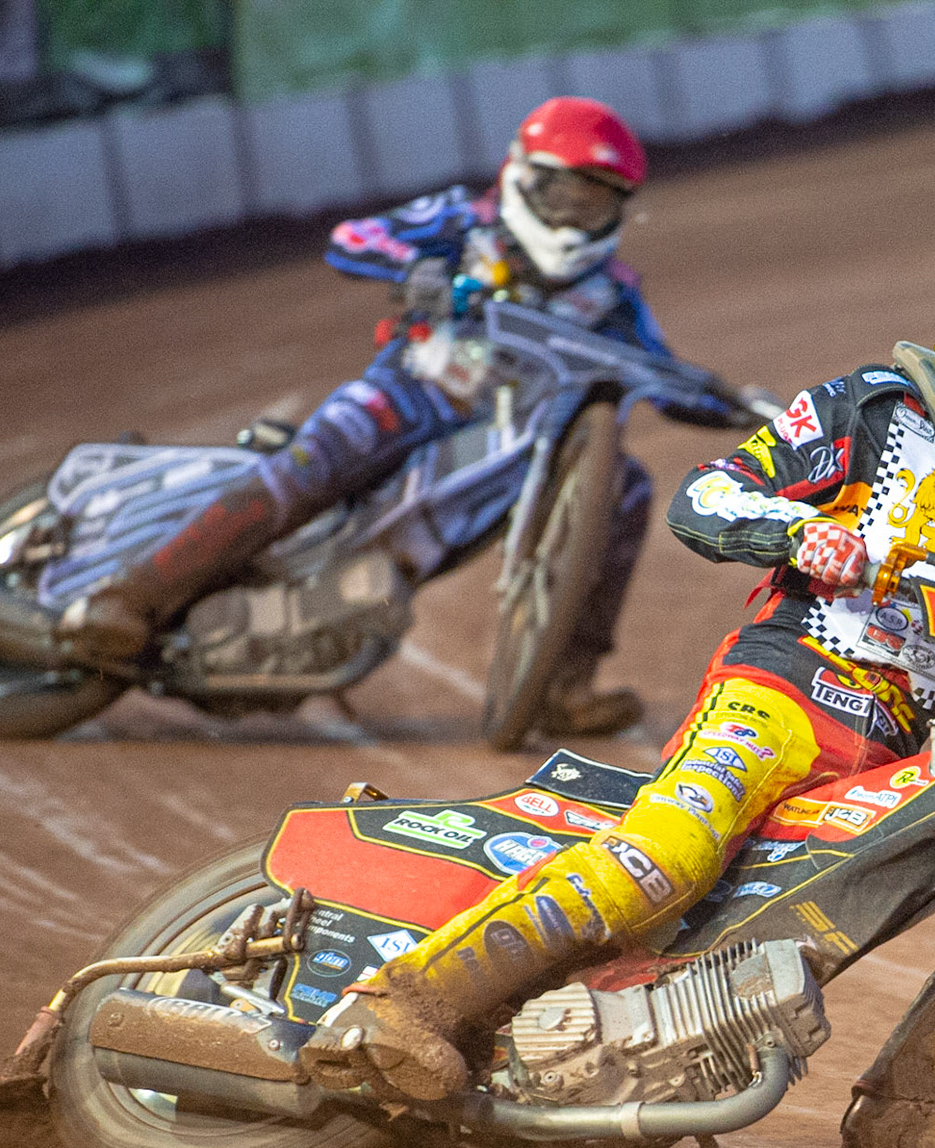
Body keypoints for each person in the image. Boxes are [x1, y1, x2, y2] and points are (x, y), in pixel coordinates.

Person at [299, 223, 935, 1101]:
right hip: (782, 692)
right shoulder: (875, 413)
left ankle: (913, 1118)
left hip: (903, 755)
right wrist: (798, 535)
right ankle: (399, 1008)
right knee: (673, 853)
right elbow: (711, 494)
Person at [62, 96, 751, 735]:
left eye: (593, 201)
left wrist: (735, 404)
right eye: (561, 193)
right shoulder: (464, 220)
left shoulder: (615, 293)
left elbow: (657, 370)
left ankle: (562, 686)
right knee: (318, 463)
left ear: (620, 208)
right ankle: (132, 596)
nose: (572, 215)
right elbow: (355, 238)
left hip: (515, 444)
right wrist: (416, 270)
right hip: (411, 390)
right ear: (520, 177)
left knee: (625, 484)